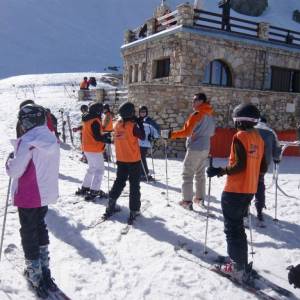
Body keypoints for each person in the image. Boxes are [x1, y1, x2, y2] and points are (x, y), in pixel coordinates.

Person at [206, 103, 267, 282]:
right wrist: (252, 177)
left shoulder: (240, 136)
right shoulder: (259, 138)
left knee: (232, 229)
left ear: (240, 121)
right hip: (249, 190)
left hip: (234, 190)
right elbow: (263, 166)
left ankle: (236, 267)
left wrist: (219, 171)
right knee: (238, 227)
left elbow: (239, 165)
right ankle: (240, 262)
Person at [6, 104, 60, 298]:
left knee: (28, 232)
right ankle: (44, 269)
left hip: (29, 194)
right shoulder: (50, 137)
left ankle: (35, 273)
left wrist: (9, 161)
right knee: (40, 227)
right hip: (45, 193)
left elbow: (15, 171)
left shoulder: (27, 140)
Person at [167, 93, 215, 210]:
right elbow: (212, 132)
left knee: (187, 174)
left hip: (195, 148)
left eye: (195, 100)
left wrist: (171, 134)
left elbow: (187, 132)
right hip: (206, 147)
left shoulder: (197, 114)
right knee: (200, 173)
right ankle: (199, 198)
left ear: (201, 101)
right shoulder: (210, 115)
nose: (192, 102)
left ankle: (187, 201)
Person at [103, 101, 145, 222]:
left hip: (121, 159)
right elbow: (142, 136)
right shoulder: (133, 126)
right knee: (134, 185)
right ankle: (134, 210)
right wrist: (140, 123)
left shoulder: (117, 124)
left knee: (119, 182)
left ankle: (111, 204)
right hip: (133, 160)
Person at [75, 102, 111, 201]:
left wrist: (104, 135)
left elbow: (92, 133)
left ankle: (85, 187)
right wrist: (106, 137)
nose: (102, 113)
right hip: (94, 148)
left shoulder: (87, 119)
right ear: (98, 111)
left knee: (92, 168)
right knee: (99, 170)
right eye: (101, 110)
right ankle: (94, 190)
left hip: (87, 147)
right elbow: (97, 137)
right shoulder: (95, 121)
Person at [254, 115, 282, 226]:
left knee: (249, 183)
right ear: (266, 122)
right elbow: (277, 150)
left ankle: (244, 209)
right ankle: (259, 210)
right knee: (260, 183)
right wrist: (276, 159)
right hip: (264, 163)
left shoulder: (252, 129)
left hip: (251, 161)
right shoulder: (271, 132)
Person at [138, 105, 160, 181]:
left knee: (141, 157)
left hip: (145, 142)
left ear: (146, 112)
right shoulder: (137, 120)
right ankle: (140, 173)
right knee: (138, 158)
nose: (142, 113)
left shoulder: (149, 121)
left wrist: (153, 137)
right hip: (137, 142)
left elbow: (157, 130)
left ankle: (144, 173)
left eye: (144, 112)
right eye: (141, 112)